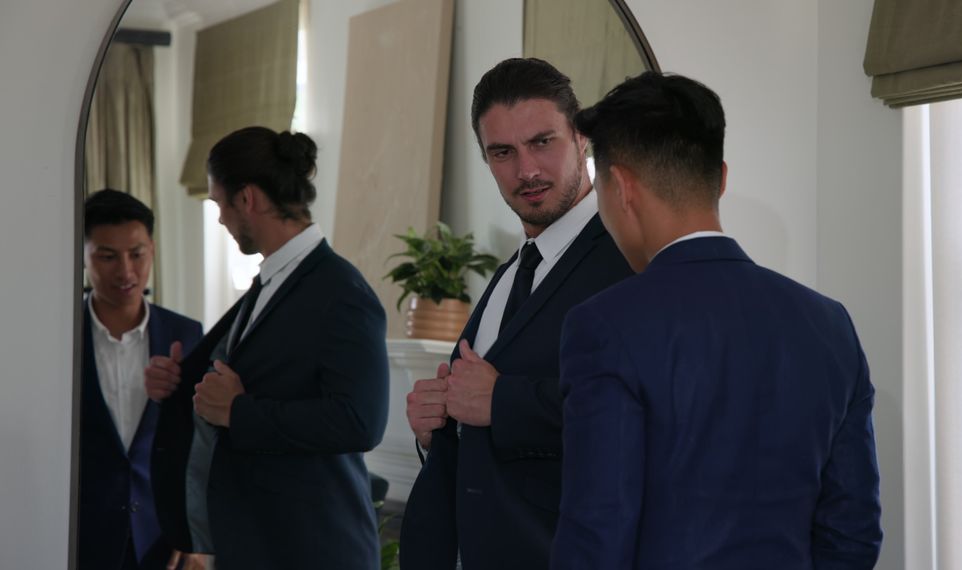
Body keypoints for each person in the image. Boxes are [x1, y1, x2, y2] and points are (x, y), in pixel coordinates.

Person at [552, 71, 884, 569]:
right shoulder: (829, 324)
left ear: (620, 188)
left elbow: (597, 535)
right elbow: (853, 533)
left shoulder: (604, 326)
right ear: (722, 178)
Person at [398, 58, 634, 570]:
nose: (525, 170)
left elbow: (648, 415)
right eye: (502, 152)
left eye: (542, 142)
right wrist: (436, 429)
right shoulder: (510, 272)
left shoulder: (629, 260)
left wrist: (502, 401)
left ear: (581, 139)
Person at [144, 127, 389, 569]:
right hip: (263, 543)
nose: (219, 218)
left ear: (248, 199)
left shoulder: (341, 291)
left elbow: (360, 421)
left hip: (314, 550)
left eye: (219, 202)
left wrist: (240, 412)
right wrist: (179, 382)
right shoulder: (270, 285)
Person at [79, 189, 204, 570]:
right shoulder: (59, 337)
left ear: (152, 247)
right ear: (82, 255)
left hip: (161, 541)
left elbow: (199, 443)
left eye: (137, 253)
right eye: (107, 256)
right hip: (78, 534)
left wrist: (194, 534)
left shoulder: (186, 334)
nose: (126, 271)